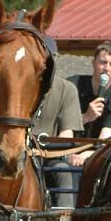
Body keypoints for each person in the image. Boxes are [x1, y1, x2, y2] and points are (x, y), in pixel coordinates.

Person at [67, 41, 111, 167]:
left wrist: (87, 154)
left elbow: (105, 141)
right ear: (93, 62)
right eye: (103, 62)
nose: (107, 68)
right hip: (64, 151)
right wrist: (86, 117)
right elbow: (58, 125)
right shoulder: (72, 86)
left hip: (93, 158)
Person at [33, 75, 84, 208]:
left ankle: (64, 219)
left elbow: (67, 133)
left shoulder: (66, 89)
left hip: (49, 156)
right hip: (18, 152)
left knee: (65, 170)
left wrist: (60, 153)